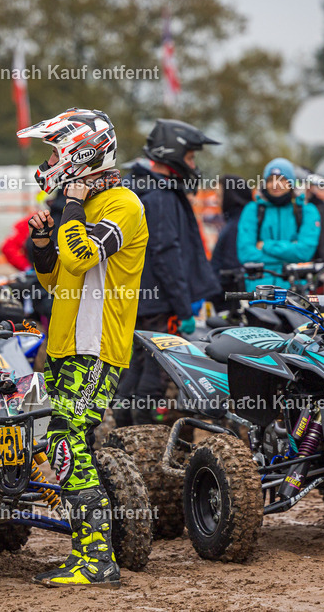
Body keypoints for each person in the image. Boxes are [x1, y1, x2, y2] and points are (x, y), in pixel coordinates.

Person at [21, 108, 148, 588]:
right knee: (65, 443)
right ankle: (88, 553)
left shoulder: (123, 204)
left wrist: (70, 209)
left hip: (96, 347)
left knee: (66, 440)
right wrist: (40, 242)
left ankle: (97, 559)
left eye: (57, 150)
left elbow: (83, 253)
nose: (52, 160)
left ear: (82, 152)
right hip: (66, 344)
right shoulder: (84, 206)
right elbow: (59, 273)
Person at [115, 119, 220, 427]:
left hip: (137, 297)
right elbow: (166, 254)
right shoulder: (160, 195)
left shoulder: (140, 187)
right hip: (158, 302)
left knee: (133, 365)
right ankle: (142, 434)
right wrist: (183, 306)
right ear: (172, 155)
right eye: (190, 157)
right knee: (155, 369)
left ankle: (124, 429)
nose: (193, 164)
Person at [236, 158, 321, 291]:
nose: (275, 184)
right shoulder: (252, 210)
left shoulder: (307, 211)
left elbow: (304, 252)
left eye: (281, 179)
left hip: (296, 291)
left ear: (291, 182)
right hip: (259, 291)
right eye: (270, 180)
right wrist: (289, 254)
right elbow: (245, 254)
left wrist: (264, 245)